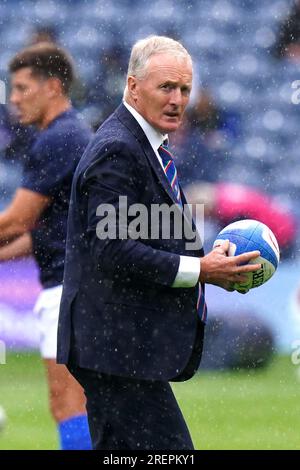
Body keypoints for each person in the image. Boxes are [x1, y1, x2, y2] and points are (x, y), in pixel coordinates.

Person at [57, 35, 261, 450]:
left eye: (185, 89)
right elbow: (112, 249)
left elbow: (149, 232)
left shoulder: (147, 144)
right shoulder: (118, 149)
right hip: (113, 347)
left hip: (117, 346)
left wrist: (205, 257)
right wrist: (202, 271)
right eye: (166, 87)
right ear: (133, 86)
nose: (178, 99)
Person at [0, 42, 92, 449]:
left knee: (68, 402)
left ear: (52, 86)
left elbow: (17, 219)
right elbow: (48, 231)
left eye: (21, 88)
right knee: (79, 402)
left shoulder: (59, 139)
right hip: (79, 285)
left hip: (70, 291)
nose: (13, 99)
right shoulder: (71, 134)